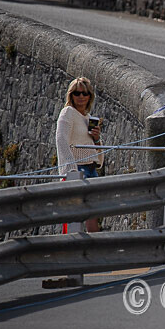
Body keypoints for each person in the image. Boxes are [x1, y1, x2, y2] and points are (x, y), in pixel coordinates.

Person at [56, 77, 103, 232]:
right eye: (77, 93)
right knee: (77, 215)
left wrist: (97, 139)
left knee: (93, 213)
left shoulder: (88, 118)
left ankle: (93, 249)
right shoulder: (68, 113)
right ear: (71, 95)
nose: (81, 96)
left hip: (91, 169)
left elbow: (94, 148)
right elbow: (61, 140)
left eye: (85, 93)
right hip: (78, 169)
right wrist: (71, 170)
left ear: (90, 96)